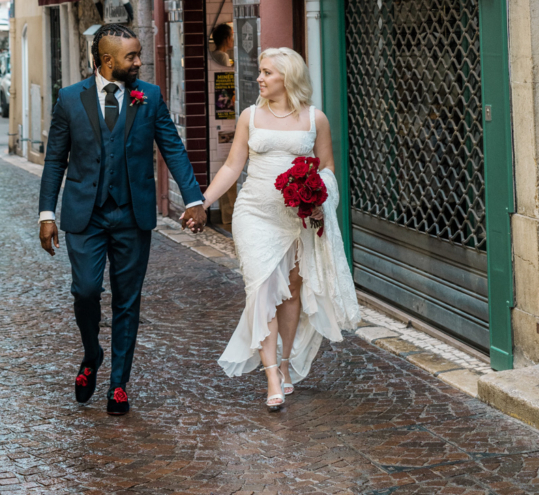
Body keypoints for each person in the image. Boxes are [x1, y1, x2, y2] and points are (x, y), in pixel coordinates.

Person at [37, 24, 208, 417]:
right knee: (85, 291)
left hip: (132, 214)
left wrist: (194, 198)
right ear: (108, 60)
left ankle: (118, 384)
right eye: (132, 57)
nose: (139, 62)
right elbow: (54, 160)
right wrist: (47, 213)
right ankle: (92, 353)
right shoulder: (69, 99)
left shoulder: (149, 96)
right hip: (86, 214)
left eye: (139, 55)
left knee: (127, 301)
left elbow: (173, 148)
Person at [192, 47, 359, 412]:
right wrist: (202, 203)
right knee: (261, 289)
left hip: (296, 219)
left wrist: (316, 198)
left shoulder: (316, 119)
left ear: (288, 77)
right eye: (261, 72)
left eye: (267, 72)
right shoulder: (250, 116)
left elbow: (328, 170)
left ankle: (284, 365)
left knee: (292, 290)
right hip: (253, 214)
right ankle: (270, 374)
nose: (259, 78)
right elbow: (233, 167)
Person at [209, 23, 238, 230]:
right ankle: (229, 217)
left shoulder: (218, 56)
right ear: (227, 38)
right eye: (232, 36)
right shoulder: (222, 57)